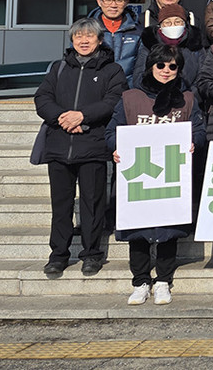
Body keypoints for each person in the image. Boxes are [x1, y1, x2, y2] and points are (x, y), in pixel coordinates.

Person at [105, 44, 205, 305]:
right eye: (161, 65)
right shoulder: (131, 97)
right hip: (139, 175)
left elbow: (199, 130)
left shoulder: (187, 98)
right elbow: (112, 131)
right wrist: (116, 148)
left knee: (167, 230)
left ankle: (163, 281)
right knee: (137, 230)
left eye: (173, 66)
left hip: (170, 175)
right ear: (150, 66)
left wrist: (194, 142)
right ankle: (140, 281)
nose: (166, 70)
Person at [34, 19, 126, 277]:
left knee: (92, 204)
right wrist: (63, 118)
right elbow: (42, 97)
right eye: (78, 36)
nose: (84, 41)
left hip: (93, 145)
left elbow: (114, 100)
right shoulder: (59, 67)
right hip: (59, 145)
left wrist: (83, 116)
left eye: (89, 36)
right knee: (60, 205)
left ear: (99, 40)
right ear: (72, 40)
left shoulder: (112, 70)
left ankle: (92, 254)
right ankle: (58, 255)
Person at [133, 4, 204, 91]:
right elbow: (138, 78)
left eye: (178, 22)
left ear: (185, 24)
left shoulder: (195, 46)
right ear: (160, 26)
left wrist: (188, 94)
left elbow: (202, 77)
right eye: (167, 22)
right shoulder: (149, 45)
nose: (173, 25)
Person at [88, 0, 142, 87]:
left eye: (119, 0)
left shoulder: (137, 30)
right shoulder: (87, 30)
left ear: (126, 2)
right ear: (99, 1)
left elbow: (141, 66)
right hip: (95, 88)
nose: (113, 5)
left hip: (127, 88)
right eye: (108, 0)